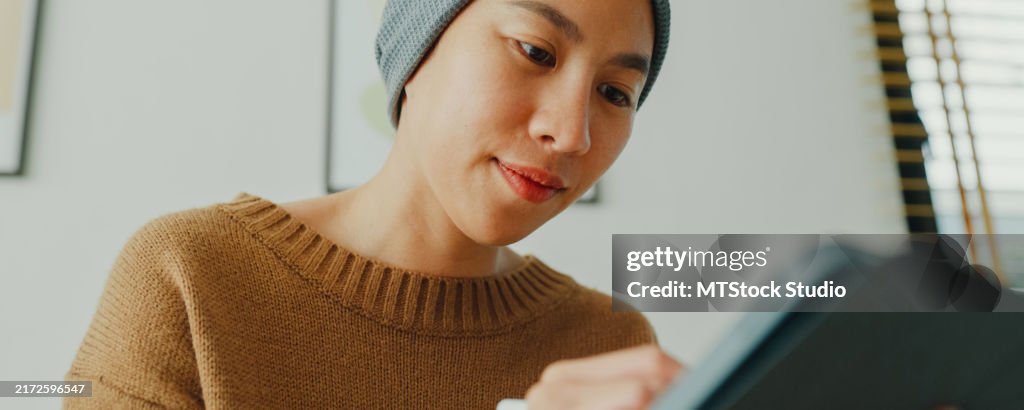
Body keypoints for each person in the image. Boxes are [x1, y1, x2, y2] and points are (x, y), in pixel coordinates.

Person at [64, 0, 682, 408]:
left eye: (614, 93)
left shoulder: (611, 343)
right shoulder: (191, 275)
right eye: (536, 52)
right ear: (420, 51)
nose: (573, 133)